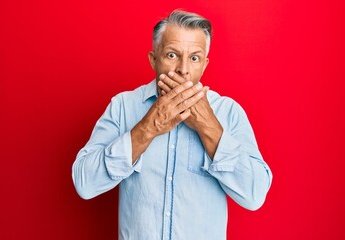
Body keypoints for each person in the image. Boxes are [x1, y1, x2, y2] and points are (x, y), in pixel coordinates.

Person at [72, 9, 272, 240]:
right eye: (172, 55)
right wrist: (148, 127)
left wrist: (209, 127)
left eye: (194, 58)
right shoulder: (123, 106)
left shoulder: (229, 112)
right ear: (153, 60)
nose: (183, 69)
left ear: (205, 64)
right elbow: (84, 184)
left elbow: (255, 195)